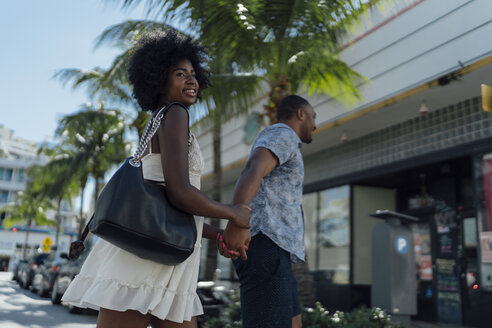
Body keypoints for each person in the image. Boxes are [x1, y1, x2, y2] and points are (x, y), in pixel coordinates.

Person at [61, 29, 250, 328]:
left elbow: (169, 209)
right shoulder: (174, 114)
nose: (191, 80)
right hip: (147, 263)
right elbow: (180, 194)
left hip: (164, 258)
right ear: (159, 79)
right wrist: (236, 214)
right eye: (179, 74)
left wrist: (219, 234)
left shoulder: (161, 120)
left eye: (193, 73)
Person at [219, 95, 317, 328]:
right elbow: (254, 167)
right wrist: (237, 220)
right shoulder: (283, 133)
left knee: (293, 322)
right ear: (301, 114)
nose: (315, 124)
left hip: (277, 250)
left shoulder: (286, 140)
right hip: (265, 244)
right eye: (314, 116)